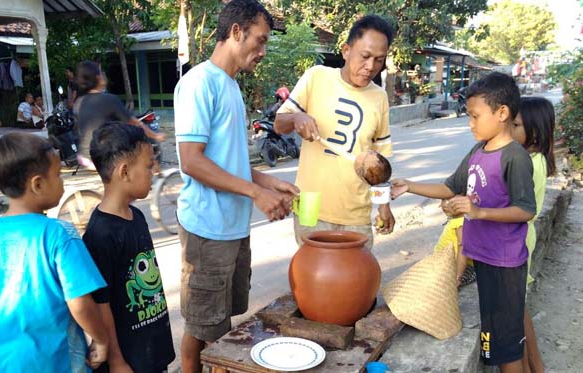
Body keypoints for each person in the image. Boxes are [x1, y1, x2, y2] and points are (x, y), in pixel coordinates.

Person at [173, 1, 299, 372]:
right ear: (236, 32)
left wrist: (269, 182)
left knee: (221, 324)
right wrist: (257, 193)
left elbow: (231, 163)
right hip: (206, 230)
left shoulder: (230, 87)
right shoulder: (198, 83)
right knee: (202, 325)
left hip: (231, 228)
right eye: (259, 41)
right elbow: (192, 161)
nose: (262, 51)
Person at [392, 72, 536, 372]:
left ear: (502, 113)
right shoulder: (478, 151)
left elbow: (525, 209)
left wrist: (479, 212)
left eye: (475, 116)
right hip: (483, 258)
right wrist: (410, 186)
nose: (470, 123)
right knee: (495, 339)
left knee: (506, 347)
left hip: (504, 264)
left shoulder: (514, 157)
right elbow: (450, 187)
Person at [0, 132, 110, 372]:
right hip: (54, 362)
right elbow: (80, 302)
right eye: (58, 175)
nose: (62, 182)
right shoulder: (59, 234)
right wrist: (102, 340)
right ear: (38, 184)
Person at [274, 15, 396, 246]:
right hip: (310, 206)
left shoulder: (379, 97)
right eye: (365, 56)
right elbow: (279, 125)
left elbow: (379, 166)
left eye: (379, 60)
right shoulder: (317, 77)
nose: (370, 67)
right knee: (311, 276)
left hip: (356, 213)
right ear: (346, 50)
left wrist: (384, 206)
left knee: (355, 279)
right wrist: (297, 117)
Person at [83, 124, 176, 373]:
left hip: (152, 348)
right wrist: (116, 361)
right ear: (124, 172)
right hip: (127, 361)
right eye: (148, 166)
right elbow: (100, 304)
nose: (154, 172)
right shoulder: (100, 235)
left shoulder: (136, 216)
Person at [74, 60, 164, 169]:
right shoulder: (109, 99)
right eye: (102, 72)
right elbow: (135, 123)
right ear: (98, 78)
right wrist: (155, 135)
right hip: (106, 157)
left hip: (84, 157)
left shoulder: (79, 103)